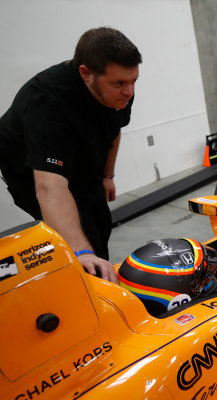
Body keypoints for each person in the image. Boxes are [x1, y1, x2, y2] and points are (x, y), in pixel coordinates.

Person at [0, 27, 142, 284]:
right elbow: (49, 186)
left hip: (80, 160)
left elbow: (114, 129)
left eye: (134, 81)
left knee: (99, 222)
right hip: (29, 172)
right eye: (120, 83)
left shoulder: (119, 91)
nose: (129, 92)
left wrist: (107, 175)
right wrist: (82, 253)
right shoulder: (47, 101)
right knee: (72, 245)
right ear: (86, 74)